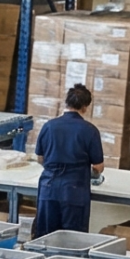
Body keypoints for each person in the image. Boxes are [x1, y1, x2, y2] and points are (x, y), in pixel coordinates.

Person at [31, 84, 107, 238]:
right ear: (85, 107)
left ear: (66, 103)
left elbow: (40, 158)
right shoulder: (89, 130)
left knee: (45, 238)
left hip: (49, 188)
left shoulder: (49, 126)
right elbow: (98, 167)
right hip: (74, 191)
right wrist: (93, 175)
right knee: (72, 240)